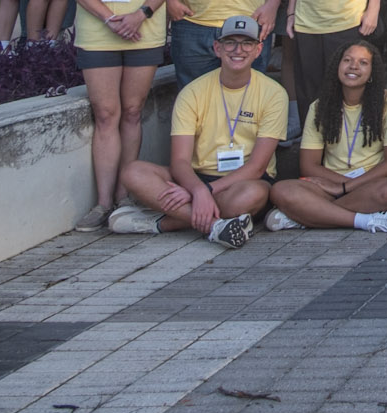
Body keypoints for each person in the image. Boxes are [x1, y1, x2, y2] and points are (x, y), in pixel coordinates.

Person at [59, 0, 180, 231]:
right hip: (99, 33)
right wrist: (109, 17)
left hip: (143, 30)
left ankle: (127, 197)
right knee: (107, 114)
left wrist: (139, 15)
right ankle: (103, 201)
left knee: (132, 111)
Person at [112, 15, 287, 248]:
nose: (238, 50)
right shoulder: (193, 91)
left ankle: (164, 223)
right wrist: (197, 189)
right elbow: (180, 161)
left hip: (244, 180)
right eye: (230, 42)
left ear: (258, 50)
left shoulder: (274, 93)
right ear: (217, 48)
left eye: (247, 43)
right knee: (133, 172)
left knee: (252, 196)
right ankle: (218, 226)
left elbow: (257, 167)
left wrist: (204, 192)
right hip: (197, 177)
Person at [263, 37, 387, 233]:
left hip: (370, 183)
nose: (353, 67)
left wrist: (346, 188)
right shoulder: (319, 106)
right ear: (337, 66)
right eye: (347, 60)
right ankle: (363, 220)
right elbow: (308, 165)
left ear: (373, 72)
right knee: (281, 190)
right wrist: (340, 185)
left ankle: (306, 216)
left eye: (363, 63)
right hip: (328, 184)